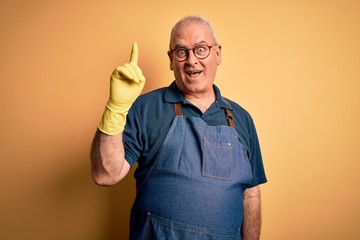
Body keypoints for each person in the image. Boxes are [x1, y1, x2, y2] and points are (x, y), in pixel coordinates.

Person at [91, 15, 267, 240]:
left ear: (218, 53)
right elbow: (105, 175)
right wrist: (115, 108)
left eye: (201, 49)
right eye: (182, 52)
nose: (192, 61)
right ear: (171, 59)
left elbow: (250, 194)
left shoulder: (242, 119)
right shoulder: (146, 108)